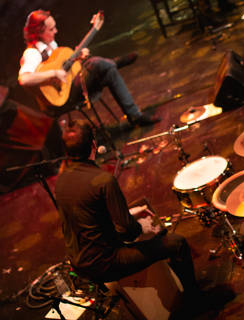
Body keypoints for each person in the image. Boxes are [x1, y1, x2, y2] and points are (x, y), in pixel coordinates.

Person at [55, 120, 197, 294]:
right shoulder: (103, 180)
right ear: (94, 144)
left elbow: (87, 217)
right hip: (106, 262)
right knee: (176, 243)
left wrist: (125, 217)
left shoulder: (61, 180)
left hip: (78, 262)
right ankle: (194, 299)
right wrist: (140, 226)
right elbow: (128, 231)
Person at [18, 9, 158, 126]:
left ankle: (135, 116)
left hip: (70, 86)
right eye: (51, 29)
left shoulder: (52, 44)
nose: (56, 31)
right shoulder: (32, 53)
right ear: (38, 32)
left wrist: (77, 57)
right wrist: (54, 73)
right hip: (60, 100)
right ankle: (116, 62)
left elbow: (66, 67)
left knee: (107, 71)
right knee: (95, 63)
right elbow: (24, 79)